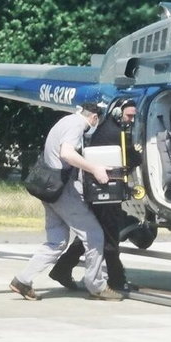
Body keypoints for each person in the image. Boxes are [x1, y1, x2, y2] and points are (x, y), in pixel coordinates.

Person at [9, 103, 124, 301]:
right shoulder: (77, 125)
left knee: (57, 241)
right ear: (94, 118)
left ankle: (22, 280)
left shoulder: (65, 121)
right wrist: (95, 168)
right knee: (95, 235)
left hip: (50, 190)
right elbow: (67, 154)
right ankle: (97, 286)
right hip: (62, 192)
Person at [48, 100, 138, 293]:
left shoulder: (107, 129)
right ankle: (115, 281)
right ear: (116, 113)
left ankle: (62, 269)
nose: (131, 120)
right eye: (129, 116)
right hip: (105, 193)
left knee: (93, 234)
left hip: (100, 192)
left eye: (134, 117)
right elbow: (130, 158)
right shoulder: (114, 134)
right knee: (110, 236)